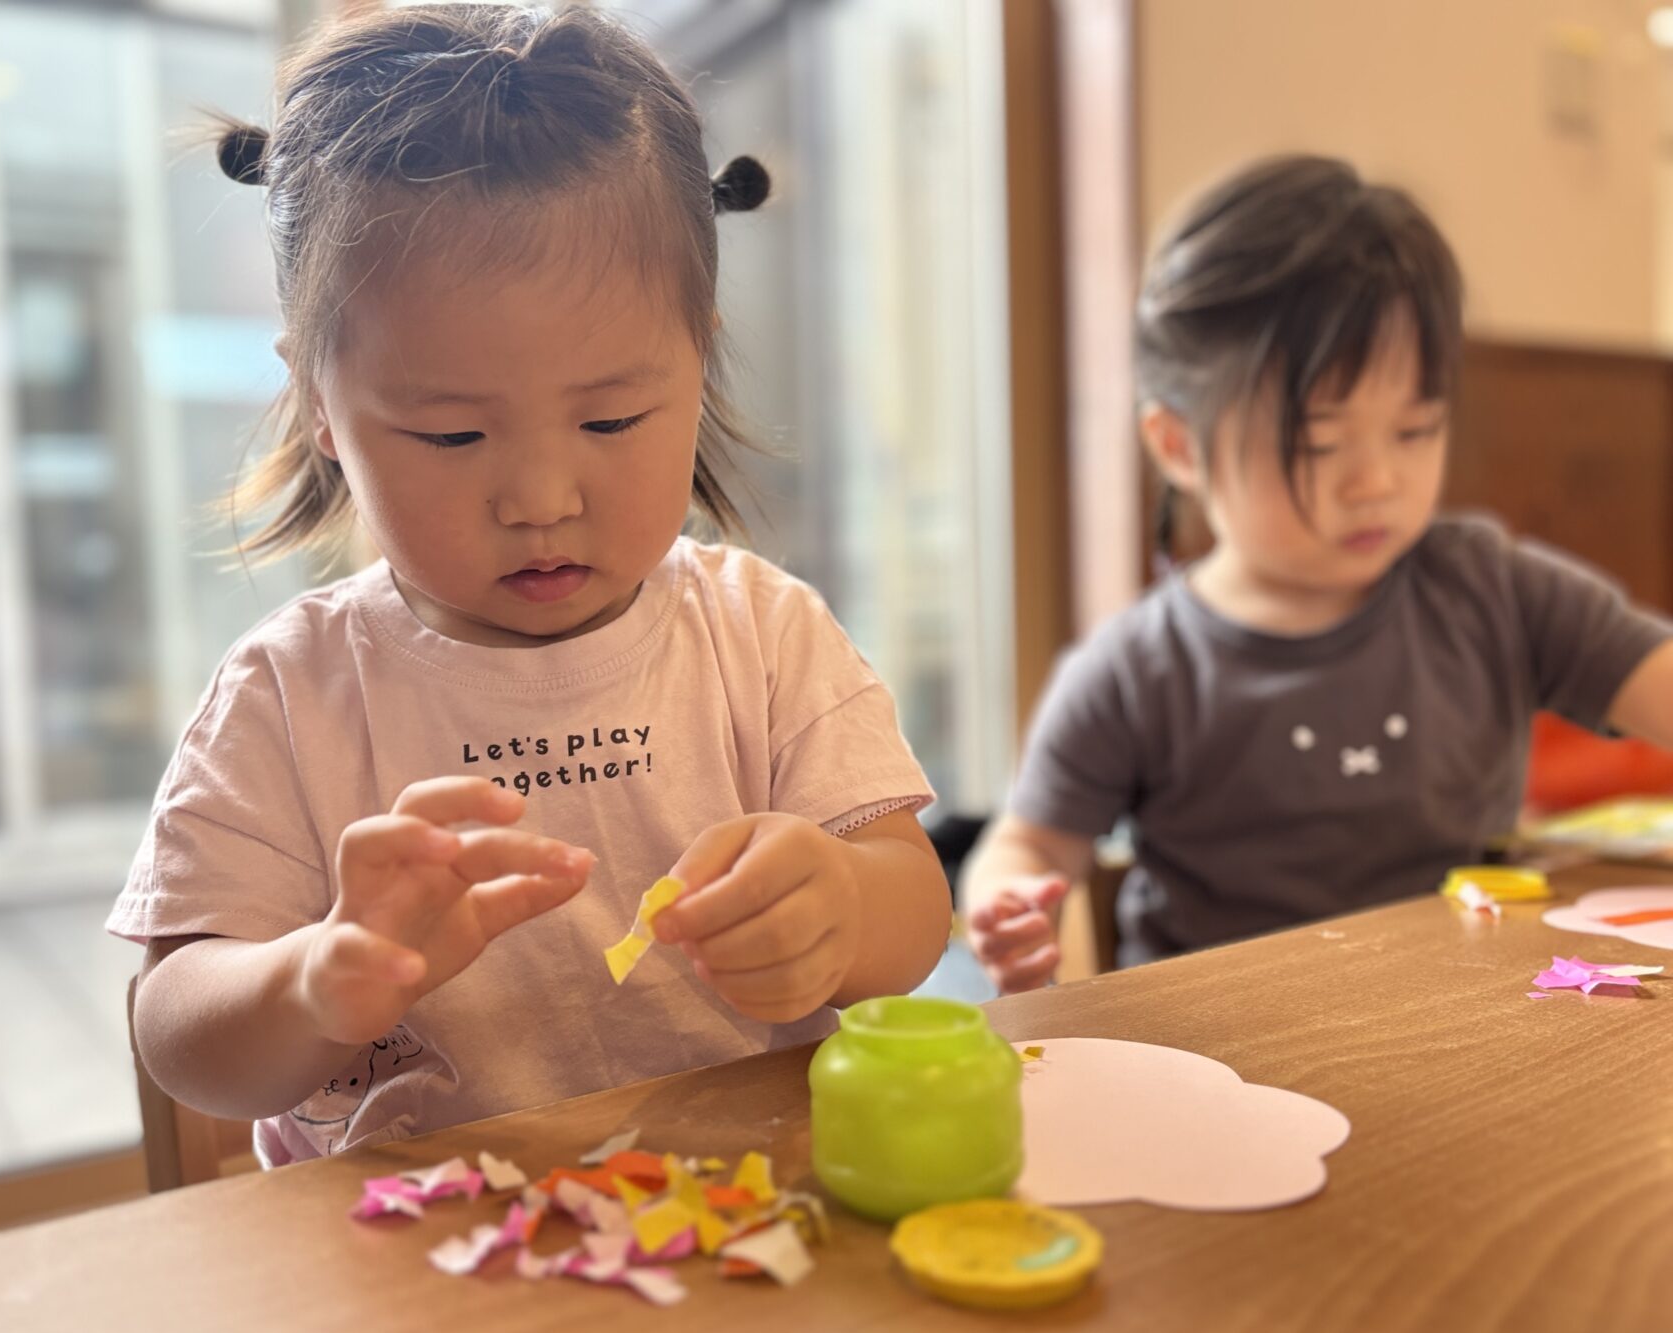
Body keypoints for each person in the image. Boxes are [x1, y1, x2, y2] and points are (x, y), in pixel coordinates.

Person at [111, 4, 949, 1163]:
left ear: (699, 360)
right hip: (409, 1239)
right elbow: (179, 1031)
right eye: (452, 437)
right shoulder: (290, 694)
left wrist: (844, 909)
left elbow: (914, 908)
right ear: (320, 407)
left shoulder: (762, 637)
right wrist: (312, 984)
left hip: (744, 1207)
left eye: (612, 419)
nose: (542, 498)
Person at [963, 155, 1673, 988]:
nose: (1376, 482)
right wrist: (1010, 901)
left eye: (1414, 431)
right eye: (1319, 445)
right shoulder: (1136, 668)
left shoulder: (1492, 589)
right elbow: (1031, 842)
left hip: (1463, 1010)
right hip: (1224, 1035)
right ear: (1179, 446)